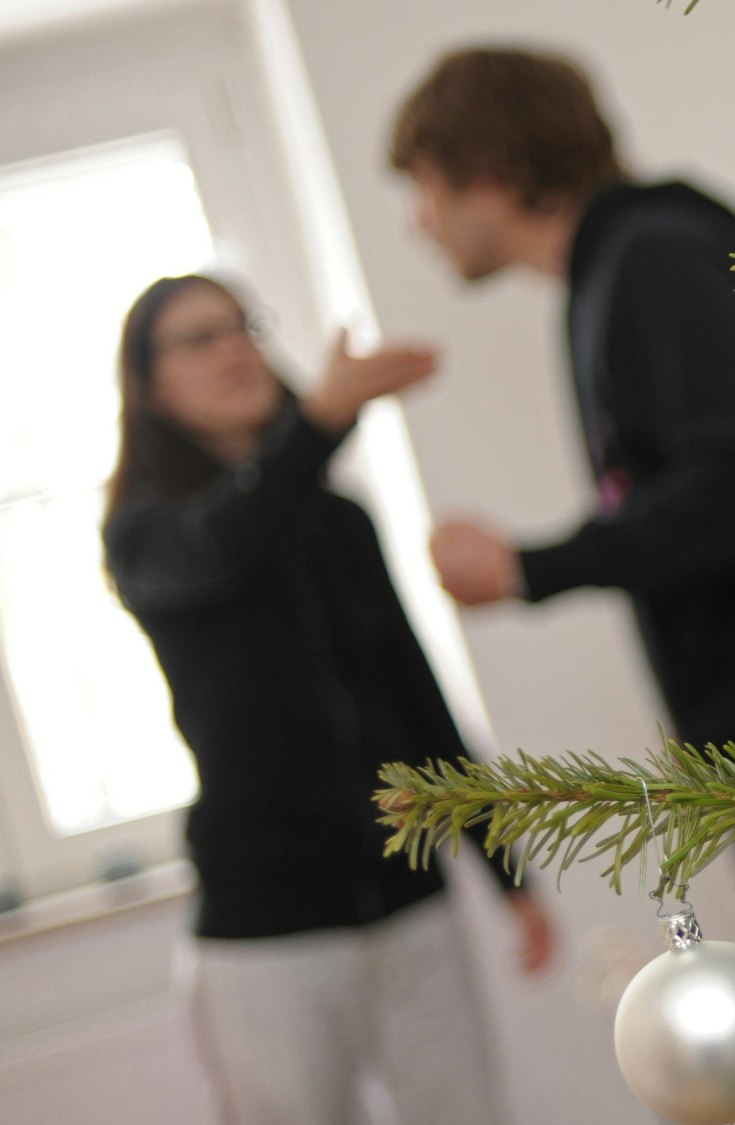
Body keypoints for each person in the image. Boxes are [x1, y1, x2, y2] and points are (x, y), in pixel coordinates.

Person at [389, 47, 735, 1123]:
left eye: (423, 186)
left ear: (487, 170)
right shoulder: (627, 261)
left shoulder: (647, 256)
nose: (418, 222)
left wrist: (530, 565)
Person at [101, 274, 554, 1125]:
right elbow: (232, 540)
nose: (235, 348)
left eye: (245, 326)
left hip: (410, 902)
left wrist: (507, 871)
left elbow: (416, 698)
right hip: (267, 930)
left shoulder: (338, 520)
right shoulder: (145, 533)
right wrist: (322, 418)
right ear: (151, 385)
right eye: (200, 338)